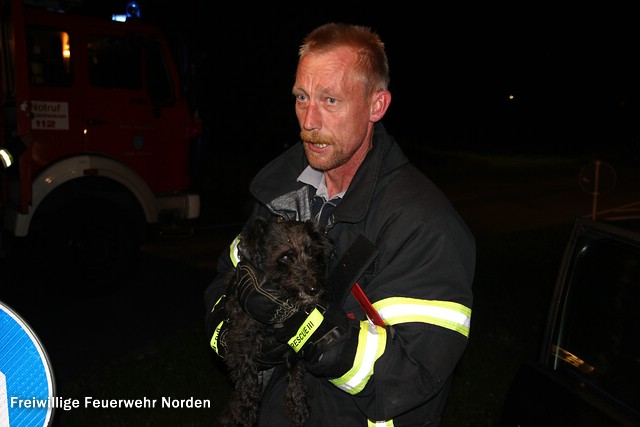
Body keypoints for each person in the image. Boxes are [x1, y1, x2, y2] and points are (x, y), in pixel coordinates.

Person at [204, 22, 475, 426]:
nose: (309, 120)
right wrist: (236, 339)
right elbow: (224, 281)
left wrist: (314, 334)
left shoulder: (424, 225)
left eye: (330, 100)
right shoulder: (279, 192)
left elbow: (416, 371)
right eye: (301, 97)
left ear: (376, 106)